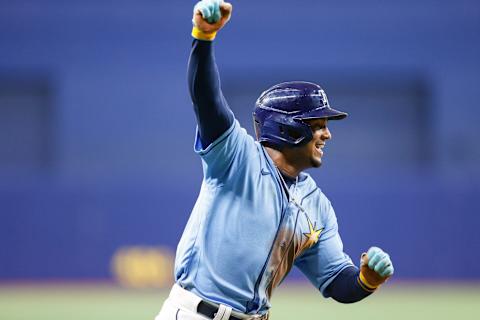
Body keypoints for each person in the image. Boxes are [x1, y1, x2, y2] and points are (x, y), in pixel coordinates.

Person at [156, 1, 394, 319]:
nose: (327, 135)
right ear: (287, 127)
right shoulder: (237, 159)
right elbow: (206, 99)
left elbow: (338, 281)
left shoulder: (316, 204)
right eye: (318, 125)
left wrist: (367, 280)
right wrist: (204, 37)